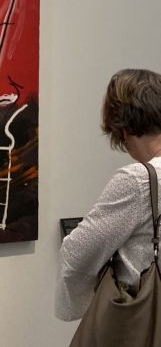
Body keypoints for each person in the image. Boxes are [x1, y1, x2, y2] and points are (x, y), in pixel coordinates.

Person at [55, 68, 161, 321]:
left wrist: (77, 307)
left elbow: (77, 254)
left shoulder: (139, 180)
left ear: (121, 125)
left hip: (144, 322)